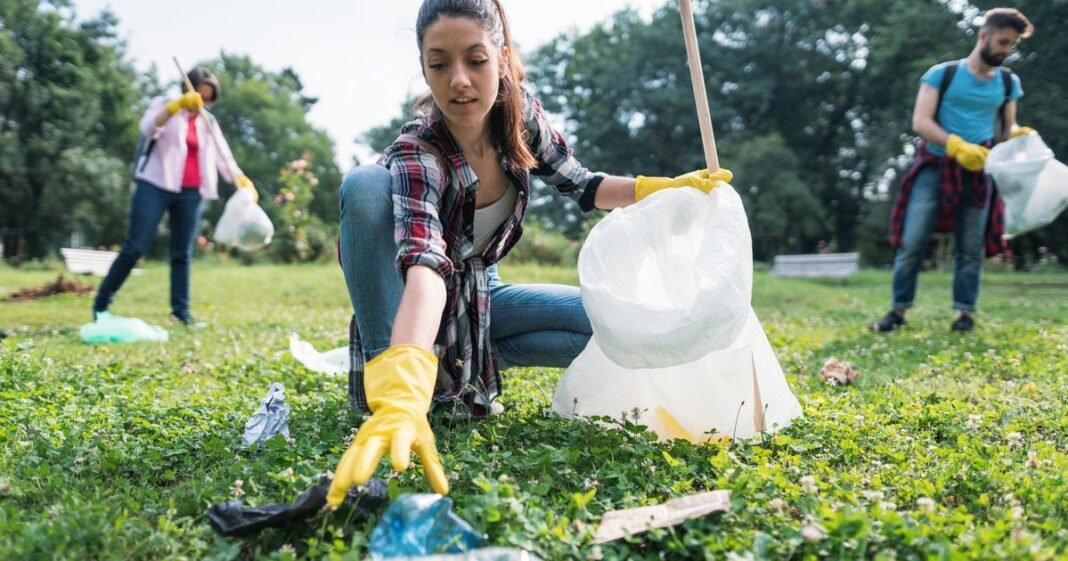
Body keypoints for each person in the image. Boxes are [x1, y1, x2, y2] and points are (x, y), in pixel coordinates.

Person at [326, 0, 733, 505]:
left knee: (609, 320)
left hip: (480, 296)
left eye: (476, 60)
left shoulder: (518, 118)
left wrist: (664, 188)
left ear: (501, 57)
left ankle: (469, 363)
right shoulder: (418, 152)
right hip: (409, 306)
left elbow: (584, 185)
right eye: (439, 64)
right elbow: (425, 266)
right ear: (424, 70)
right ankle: (400, 385)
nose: (459, 80)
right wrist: (402, 388)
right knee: (366, 182)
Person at [873, 8, 1036, 334]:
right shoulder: (941, 75)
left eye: (1012, 45)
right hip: (935, 167)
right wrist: (955, 145)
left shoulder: (1008, 82)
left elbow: (1007, 127)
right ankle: (898, 311)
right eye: (1003, 42)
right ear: (984, 35)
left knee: (970, 247)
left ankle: (964, 314)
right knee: (912, 242)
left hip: (979, 169)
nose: (1006, 50)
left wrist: (1018, 134)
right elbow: (920, 122)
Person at [93, 67, 257, 326]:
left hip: (191, 192)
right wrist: (174, 107)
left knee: (182, 254)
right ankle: (101, 305)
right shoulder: (164, 105)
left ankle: (180, 313)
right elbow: (148, 128)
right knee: (135, 247)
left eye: (208, 99)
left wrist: (241, 181)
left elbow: (223, 157)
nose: (202, 102)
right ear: (187, 88)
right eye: (199, 95)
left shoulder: (208, 121)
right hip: (155, 185)